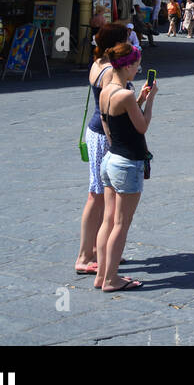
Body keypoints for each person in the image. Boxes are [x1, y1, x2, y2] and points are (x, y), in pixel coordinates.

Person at [93, 41, 156, 292]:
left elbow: (113, 126)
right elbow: (141, 127)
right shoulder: (126, 94)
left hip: (110, 159)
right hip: (127, 162)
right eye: (137, 67)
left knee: (108, 221)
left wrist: (139, 100)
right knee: (121, 223)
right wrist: (150, 101)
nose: (137, 71)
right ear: (128, 66)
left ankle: (101, 275)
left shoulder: (107, 90)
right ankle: (111, 279)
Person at [74, 22, 132, 277]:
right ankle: (85, 255)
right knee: (97, 194)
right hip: (103, 133)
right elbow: (109, 108)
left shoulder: (97, 63)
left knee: (97, 194)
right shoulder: (109, 69)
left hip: (95, 129)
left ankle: (97, 250)